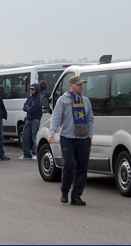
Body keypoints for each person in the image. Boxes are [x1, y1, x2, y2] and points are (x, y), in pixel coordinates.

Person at [48, 76, 94, 206]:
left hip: (83, 138)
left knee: (82, 168)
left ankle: (76, 196)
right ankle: (65, 190)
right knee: (69, 165)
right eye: (78, 84)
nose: (81, 87)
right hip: (67, 137)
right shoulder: (63, 100)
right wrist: (52, 132)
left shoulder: (86, 101)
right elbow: (56, 117)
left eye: (82, 84)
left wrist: (90, 135)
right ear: (71, 85)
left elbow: (90, 118)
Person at [19, 83, 42, 160]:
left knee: (34, 136)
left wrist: (28, 108)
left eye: (33, 89)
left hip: (35, 119)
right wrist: (28, 108)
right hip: (29, 119)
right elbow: (24, 107)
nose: (31, 90)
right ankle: (26, 153)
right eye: (30, 89)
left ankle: (35, 153)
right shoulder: (30, 98)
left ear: (36, 90)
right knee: (25, 136)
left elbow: (33, 109)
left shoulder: (39, 98)